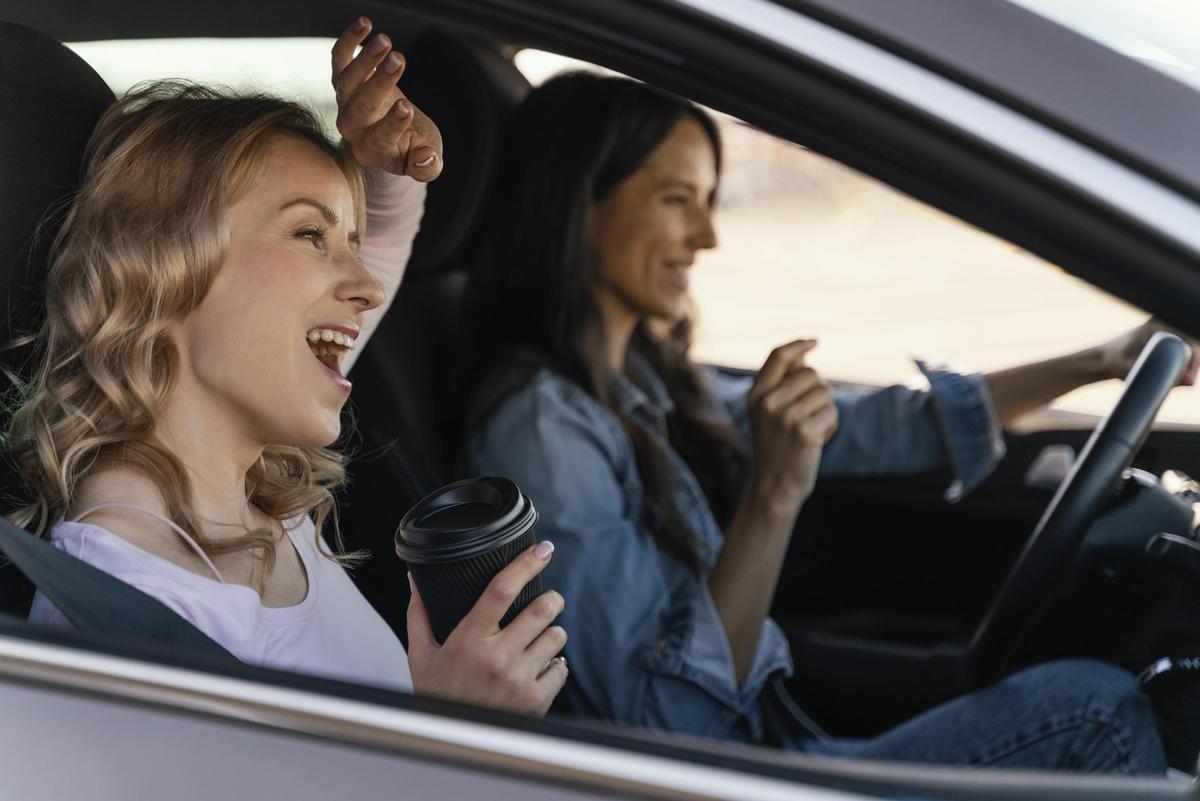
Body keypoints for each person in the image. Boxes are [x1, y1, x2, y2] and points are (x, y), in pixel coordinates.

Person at [462, 71, 1184, 769]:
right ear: (578, 204)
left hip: (774, 743)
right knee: (1096, 711)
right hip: (719, 776)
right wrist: (774, 494)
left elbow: (887, 426)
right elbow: (666, 724)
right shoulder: (542, 431)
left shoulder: (641, 381)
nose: (707, 237)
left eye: (709, 201)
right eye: (678, 199)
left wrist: (1102, 358)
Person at [4, 19, 568, 717]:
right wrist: (465, 733)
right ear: (168, 266)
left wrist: (381, 158)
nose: (363, 284)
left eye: (348, 243)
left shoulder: (249, 488)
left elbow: (385, 244)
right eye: (310, 234)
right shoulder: (120, 625)